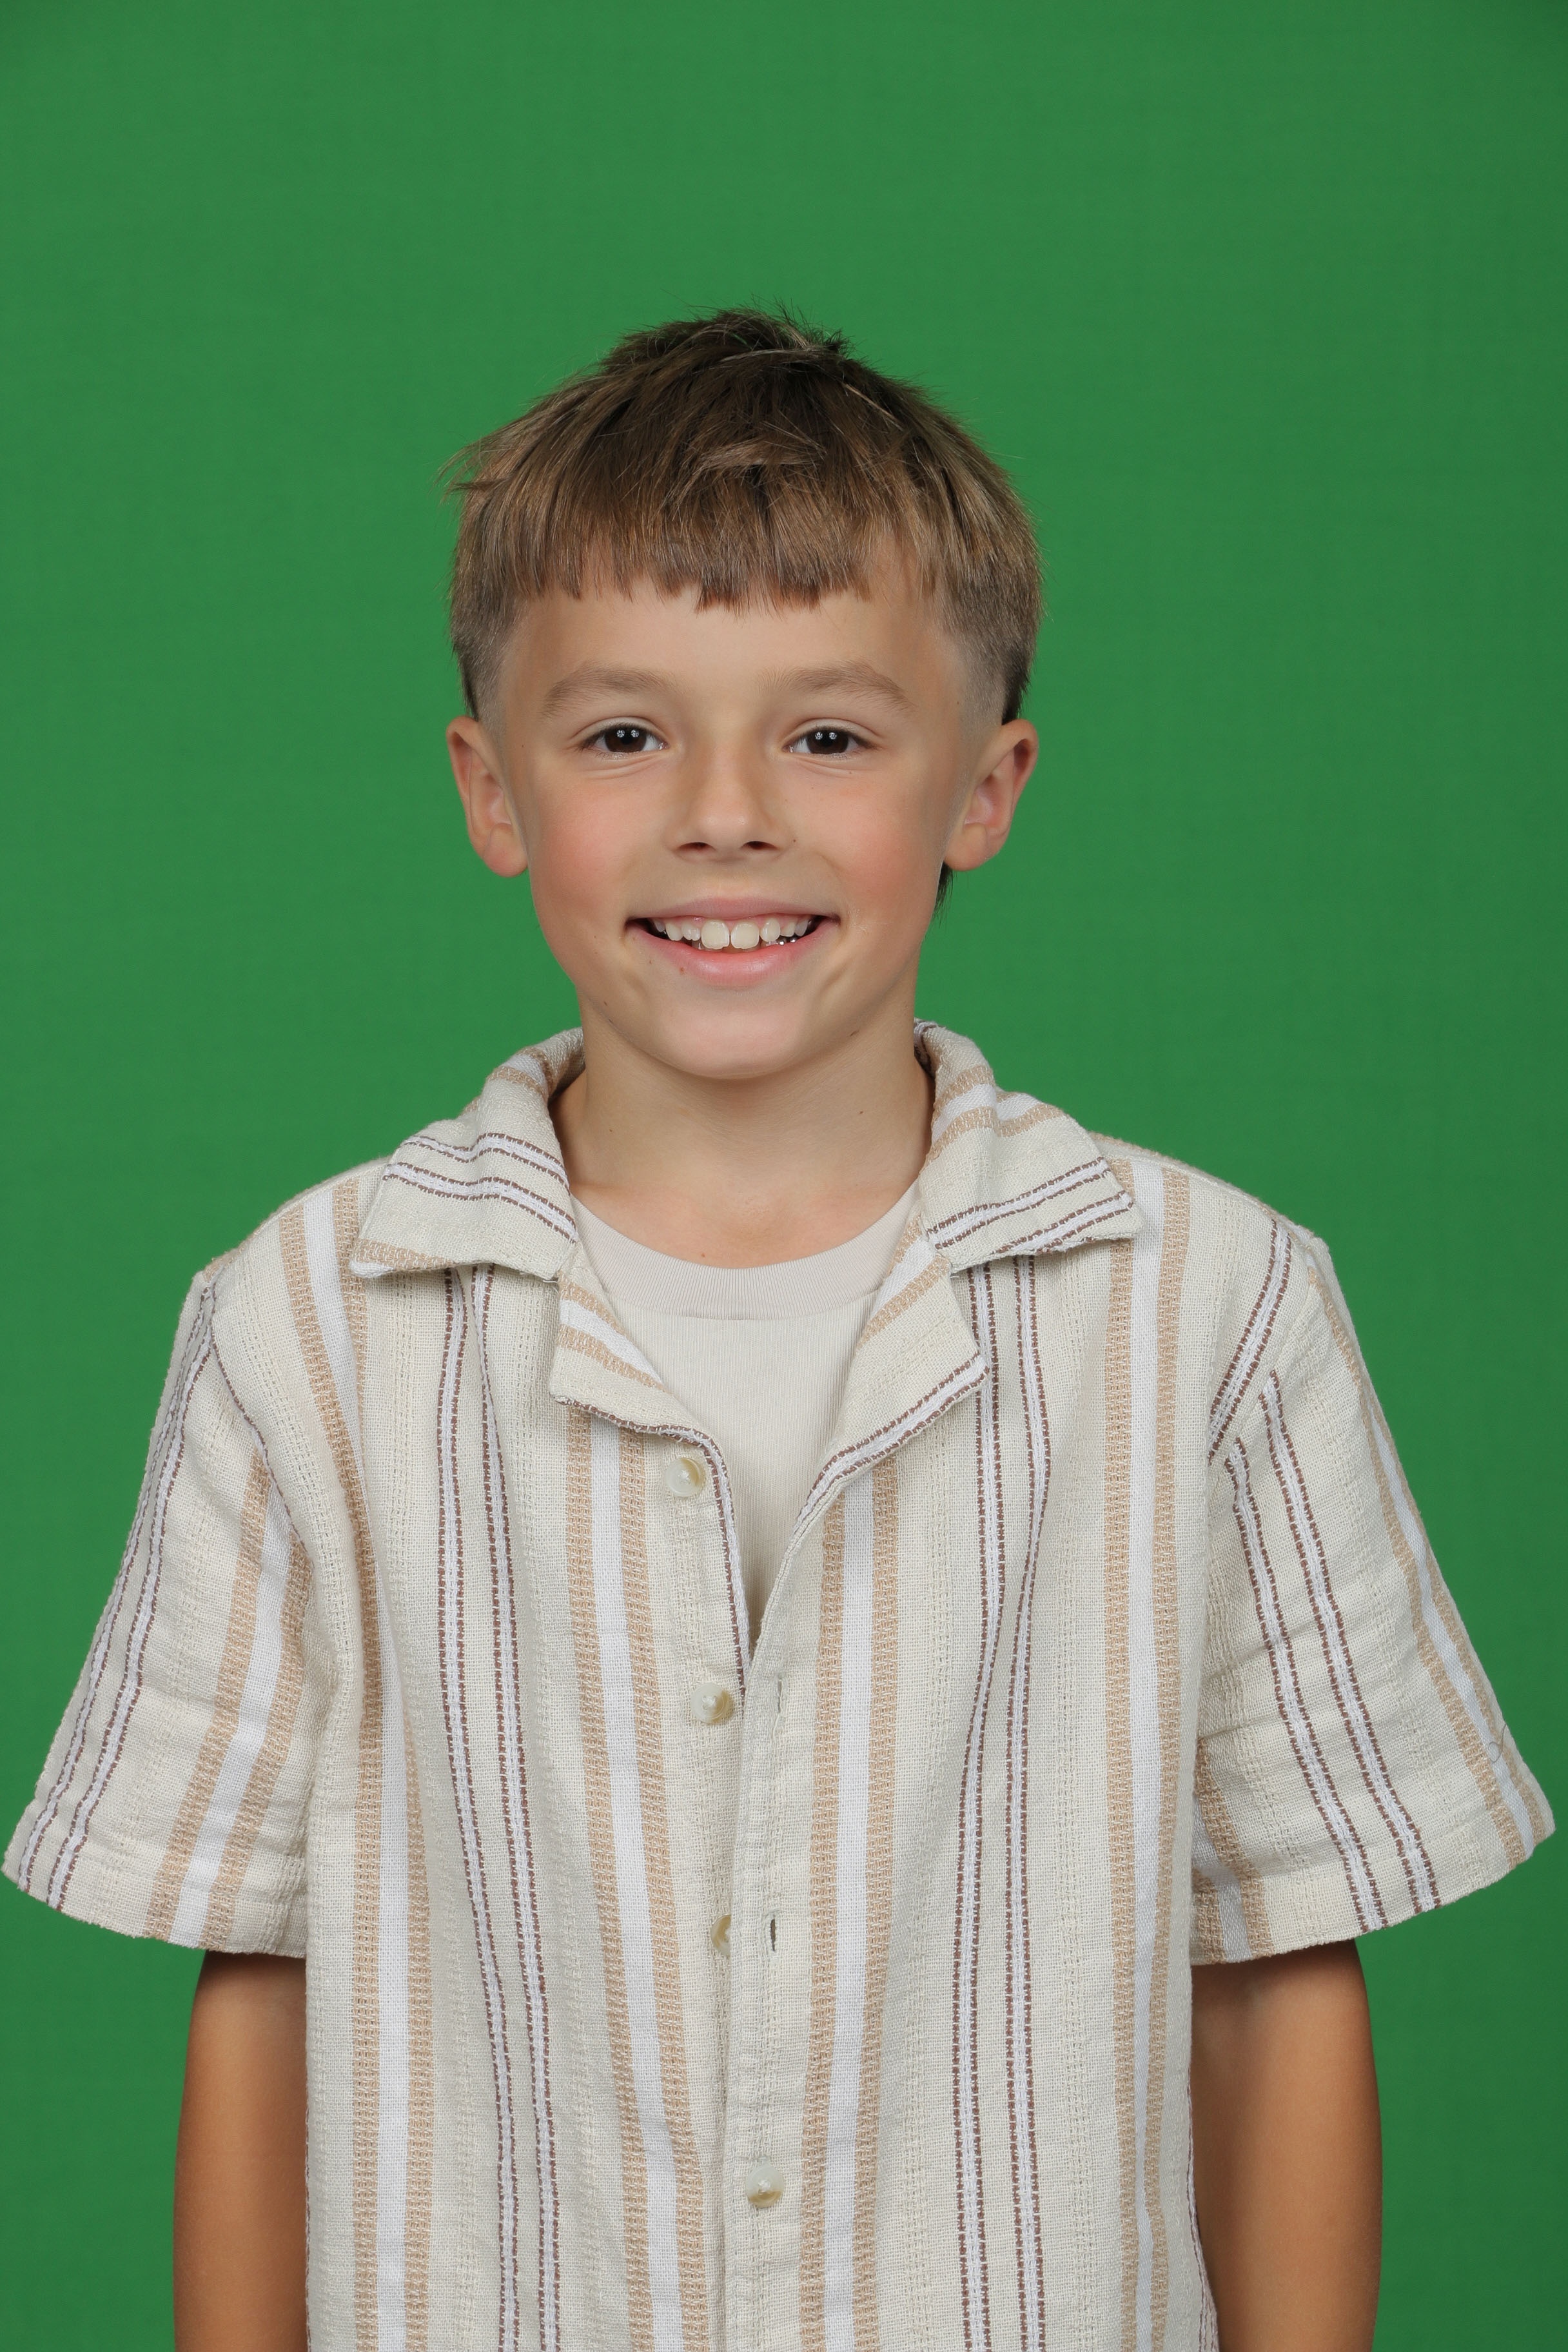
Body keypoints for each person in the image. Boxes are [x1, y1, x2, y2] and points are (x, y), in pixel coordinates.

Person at [6, 310, 1549, 2352]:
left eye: (828, 737)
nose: (725, 813)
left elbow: (1274, 1963)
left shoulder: (1213, 1309)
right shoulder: (303, 1323)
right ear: (489, 788)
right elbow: (264, 1971)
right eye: (621, 736)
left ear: (983, 786)